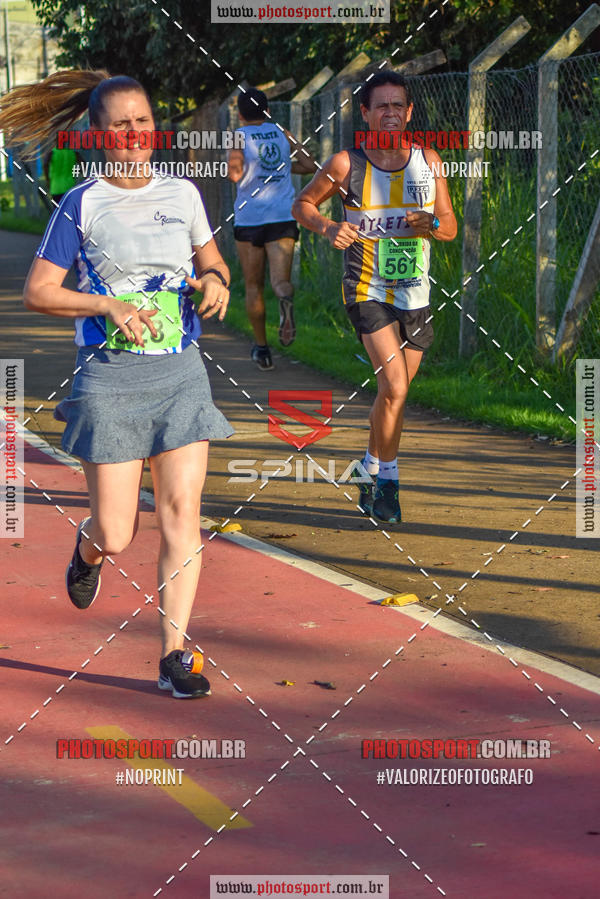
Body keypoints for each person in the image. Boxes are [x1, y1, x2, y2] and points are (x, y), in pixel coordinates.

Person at [0, 69, 233, 698]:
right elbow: (38, 292)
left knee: (183, 514)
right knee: (118, 531)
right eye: (121, 124)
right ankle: (88, 551)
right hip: (110, 378)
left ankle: (174, 657)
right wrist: (107, 305)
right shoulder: (82, 204)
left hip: (180, 373)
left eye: (143, 121)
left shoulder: (184, 193)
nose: (135, 133)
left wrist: (215, 282)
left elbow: (212, 261)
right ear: (99, 134)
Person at [292, 70, 457, 524]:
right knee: (396, 386)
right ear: (365, 113)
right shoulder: (346, 164)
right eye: (380, 105)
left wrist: (431, 225)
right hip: (366, 289)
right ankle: (388, 483)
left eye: (397, 105)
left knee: (392, 394)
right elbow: (302, 204)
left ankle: (367, 468)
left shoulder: (429, 161)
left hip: (415, 293)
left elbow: (449, 226)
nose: (390, 112)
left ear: (409, 112)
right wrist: (328, 226)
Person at [227, 87, 316, 370]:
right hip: (282, 216)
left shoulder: (237, 136)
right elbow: (309, 164)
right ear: (267, 111)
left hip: (250, 219)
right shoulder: (281, 132)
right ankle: (285, 298)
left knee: (253, 285)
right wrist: (280, 168)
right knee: (280, 281)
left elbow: (234, 174)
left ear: (241, 115)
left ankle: (262, 349)